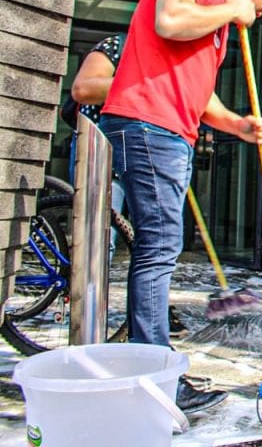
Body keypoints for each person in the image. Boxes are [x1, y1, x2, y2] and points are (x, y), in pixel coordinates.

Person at [100, 0, 262, 414]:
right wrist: (232, 6)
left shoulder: (217, 20)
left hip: (169, 131)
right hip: (149, 124)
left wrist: (239, 125)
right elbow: (169, 20)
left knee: (161, 244)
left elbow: (199, 95)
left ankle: (152, 367)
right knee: (161, 246)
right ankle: (157, 377)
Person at [66, 34, 189, 339]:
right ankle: (88, 319)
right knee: (100, 241)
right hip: (103, 149)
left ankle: (151, 315)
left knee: (154, 240)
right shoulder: (117, 46)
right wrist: (145, 84)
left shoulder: (169, 61)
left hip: (151, 148)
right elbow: (83, 89)